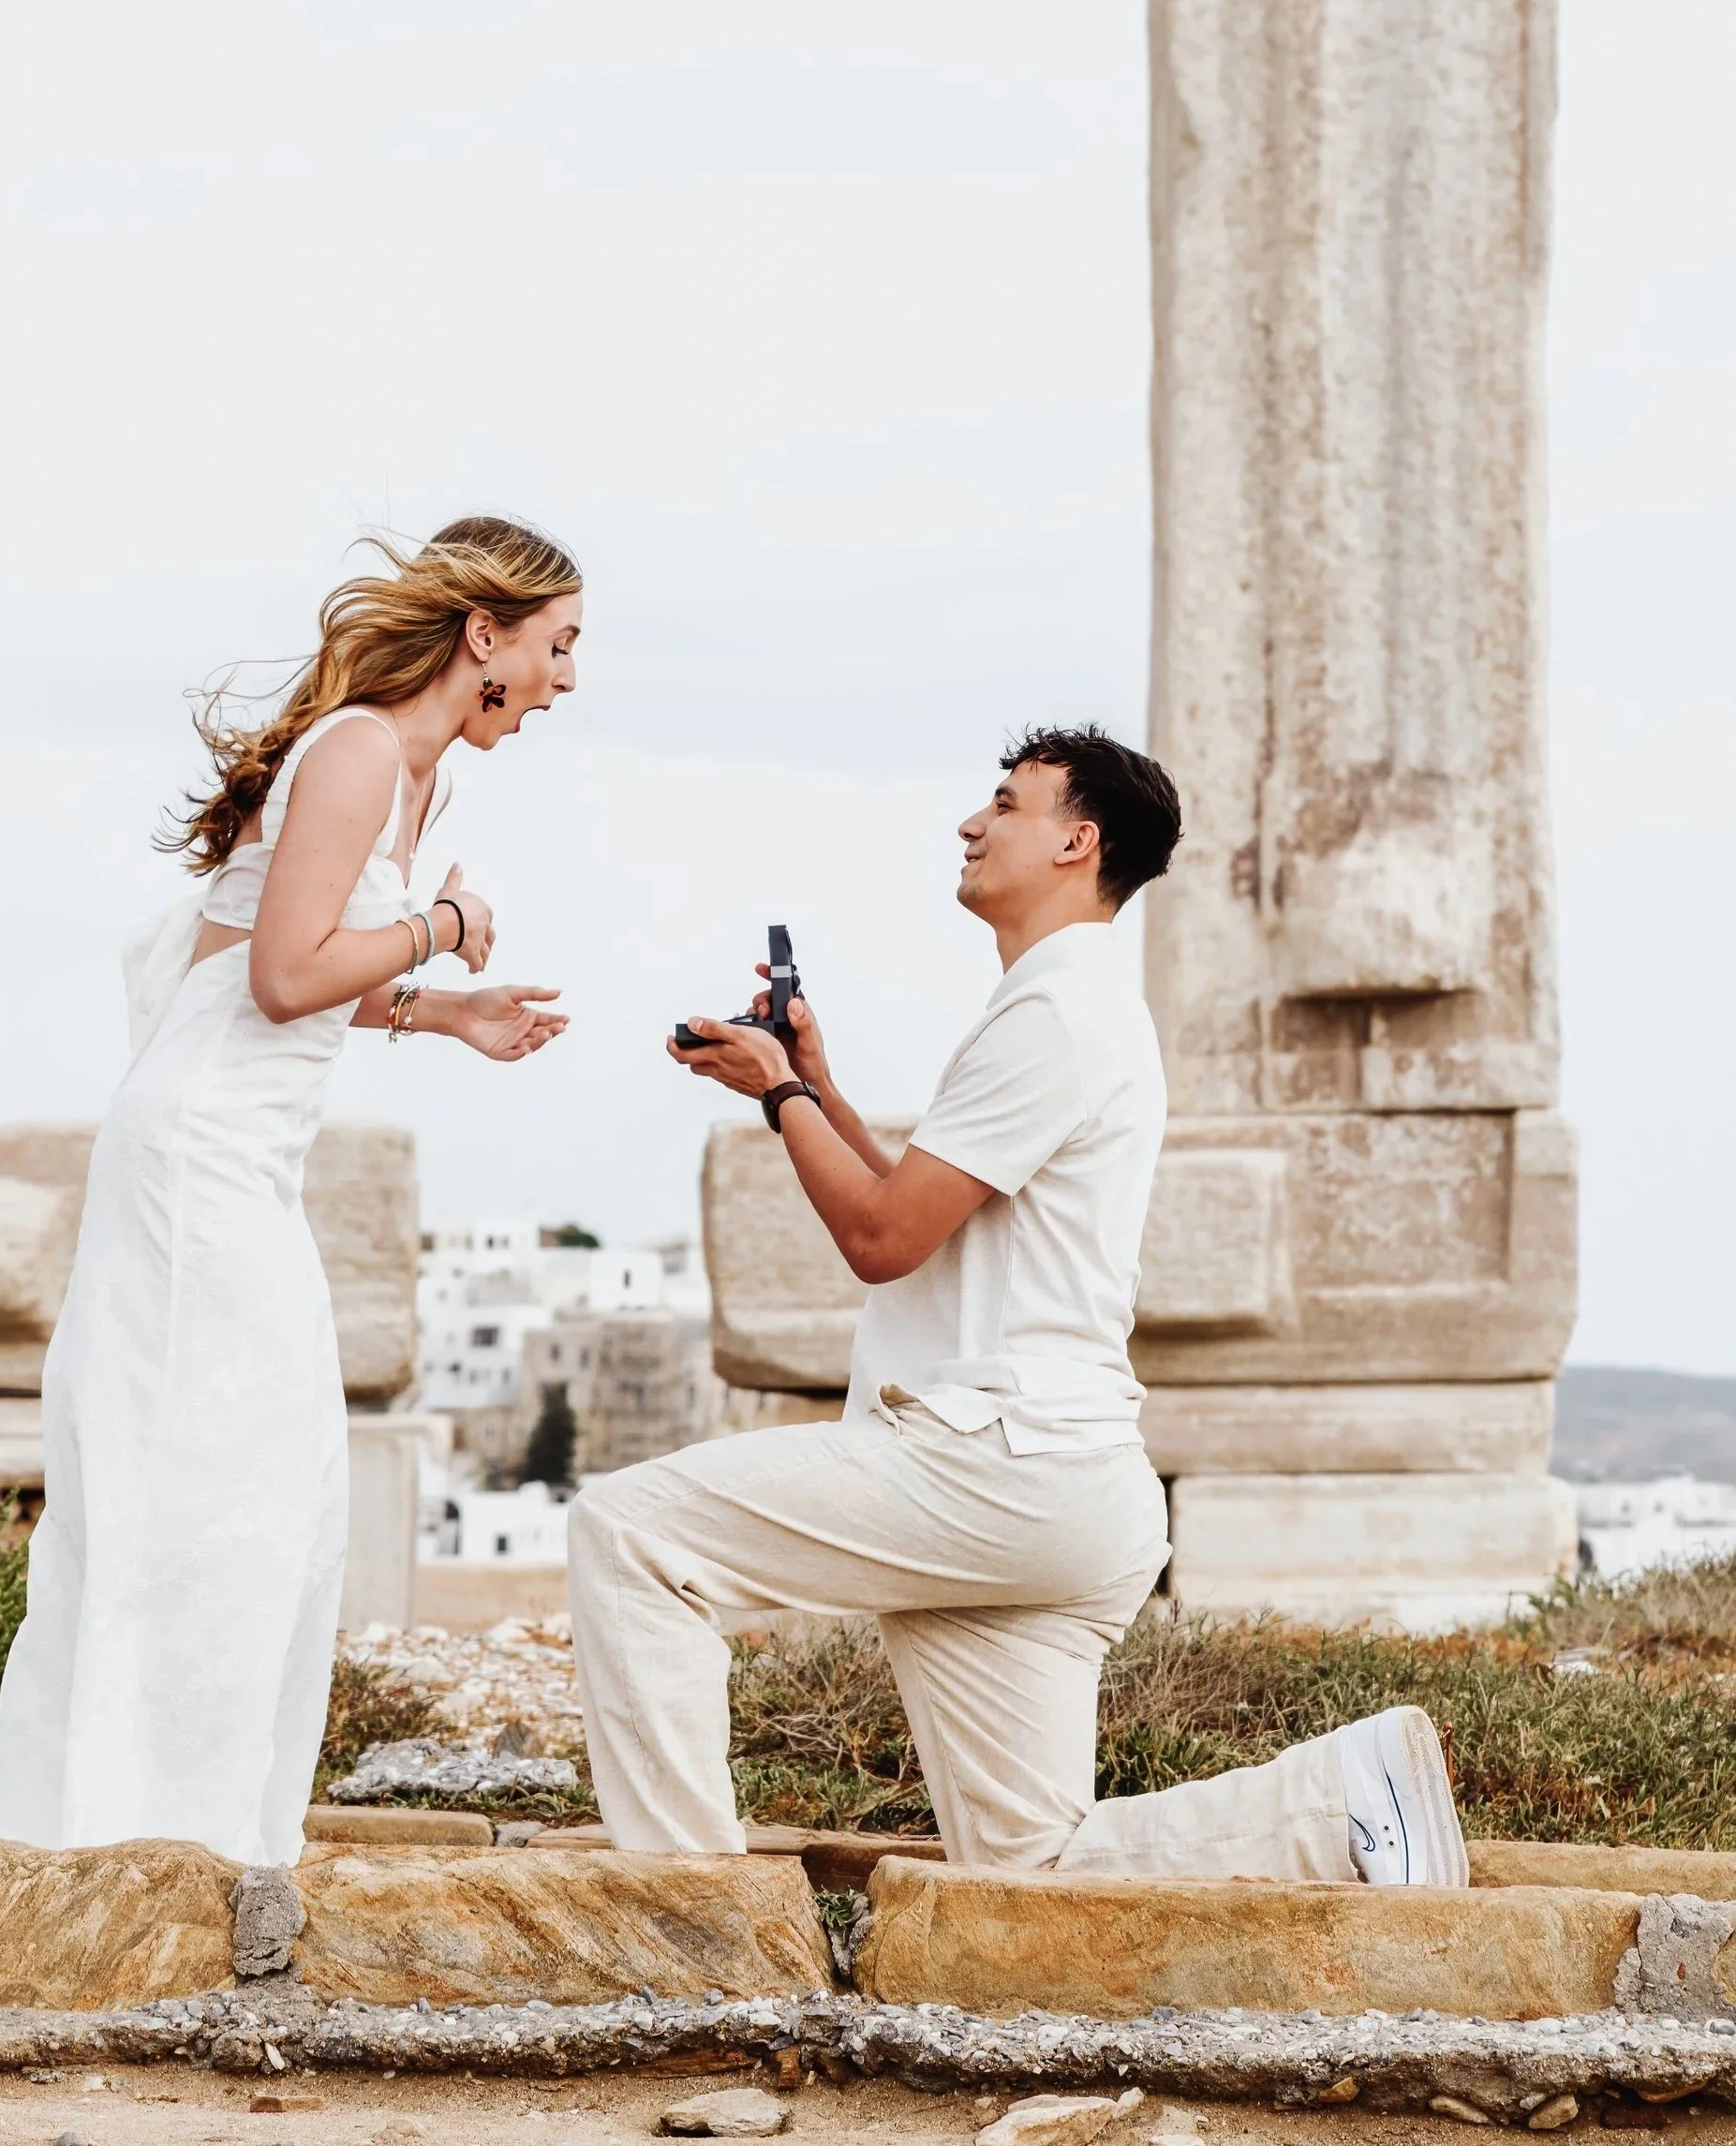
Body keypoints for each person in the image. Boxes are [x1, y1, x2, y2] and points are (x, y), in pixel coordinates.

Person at [568, 725, 1467, 1888]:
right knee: (1030, 1862)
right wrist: (815, 1083)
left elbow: (881, 1240)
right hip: (1058, 1485)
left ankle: (689, 1911)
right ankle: (1349, 1801)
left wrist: (779, 1089)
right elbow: (921, 1210)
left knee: (630, 1531)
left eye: (1004, 802)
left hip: (992, 1463)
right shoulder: (1068, 1005)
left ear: (1076, 841)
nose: (970, 821)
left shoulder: (1055, 1012)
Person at [0, 515, 582, 1868]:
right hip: (196, 1145)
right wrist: (441, 927)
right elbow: (276, 974)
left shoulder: (423, 777)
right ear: (484, 633)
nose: (565, 679)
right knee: (206, 1469)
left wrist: (448, 1009)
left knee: (275, 1472)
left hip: (248, 1148)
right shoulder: (361, 748)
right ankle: (126, 1825)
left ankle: (206, 1825)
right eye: (558, 645)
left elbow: (300, 965)